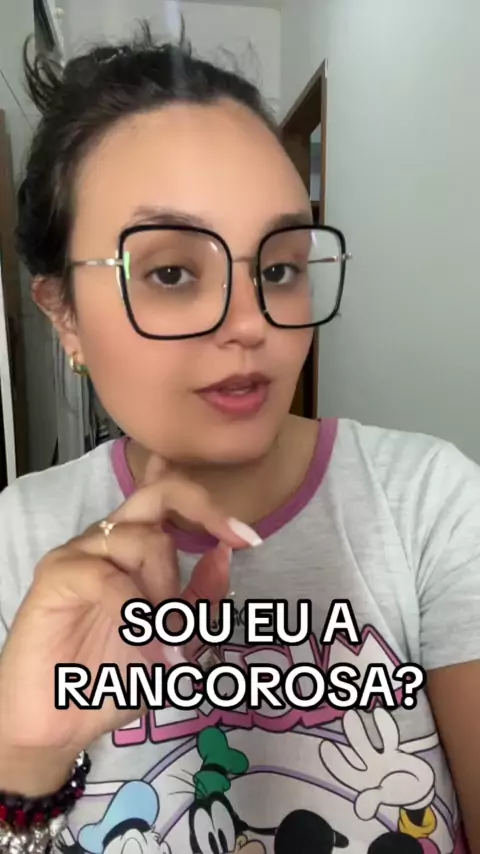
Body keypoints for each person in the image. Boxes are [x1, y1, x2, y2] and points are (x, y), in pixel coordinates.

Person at [0, 21, 478, 854]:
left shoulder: (430, 503)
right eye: (172, 272)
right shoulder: (17, 539)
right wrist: (26, 761)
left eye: (279, 268)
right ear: (62, 313)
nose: (253, 322)